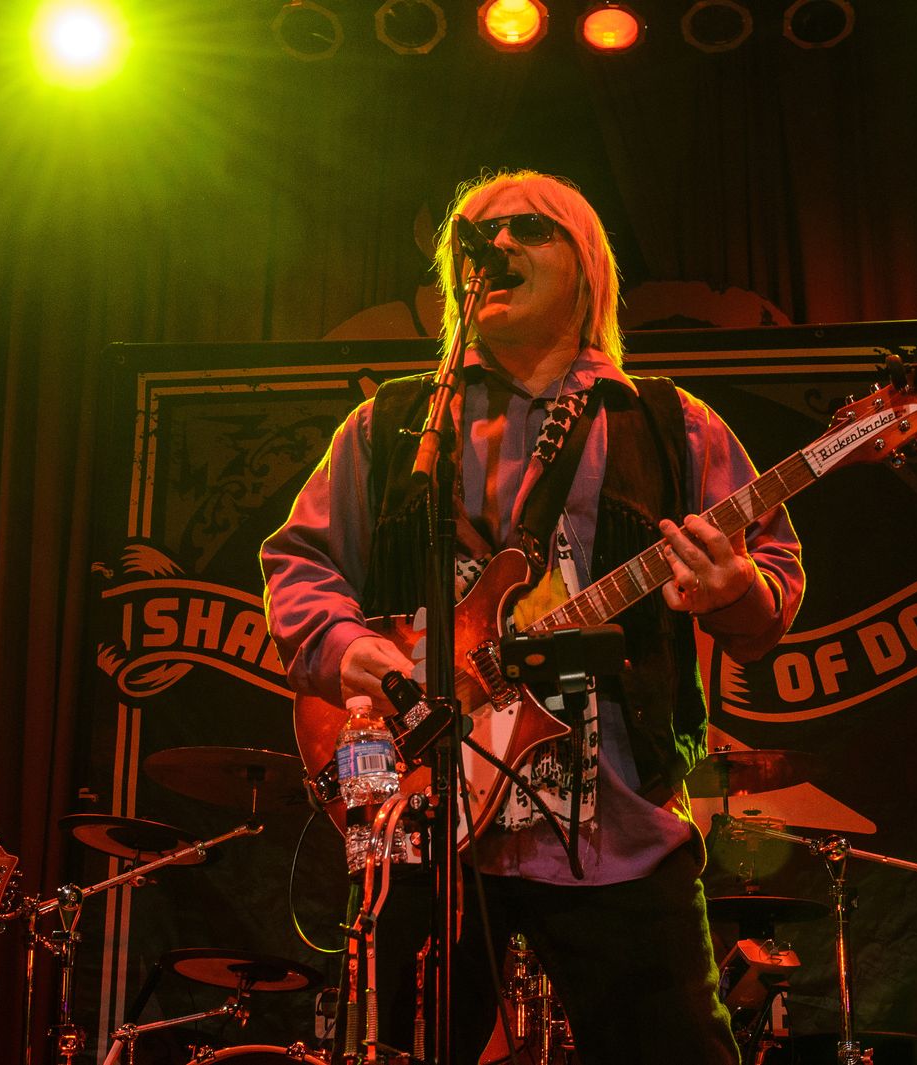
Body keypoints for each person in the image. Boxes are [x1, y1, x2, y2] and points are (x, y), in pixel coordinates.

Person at [261, 169, 805, 1064]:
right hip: (423, 828)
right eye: (478, 237)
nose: (500, 245)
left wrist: (734, 587)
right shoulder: (390, 426)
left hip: (615, 830)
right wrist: (354, 651)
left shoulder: (672, 424)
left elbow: (771, 586)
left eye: (529, 229)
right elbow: (300, 563)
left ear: (586, 267)